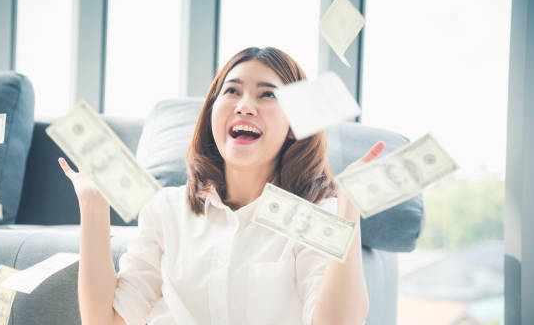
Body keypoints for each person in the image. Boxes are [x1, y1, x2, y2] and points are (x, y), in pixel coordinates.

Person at [58, 46, 385, 325]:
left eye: (267, 94)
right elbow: (106, 321)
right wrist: (93, 205)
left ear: (293, 125)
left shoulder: (314, 217)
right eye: (232, 91)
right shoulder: (166, 209)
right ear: (212, 111)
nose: (244, 105)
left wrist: (348, 212)